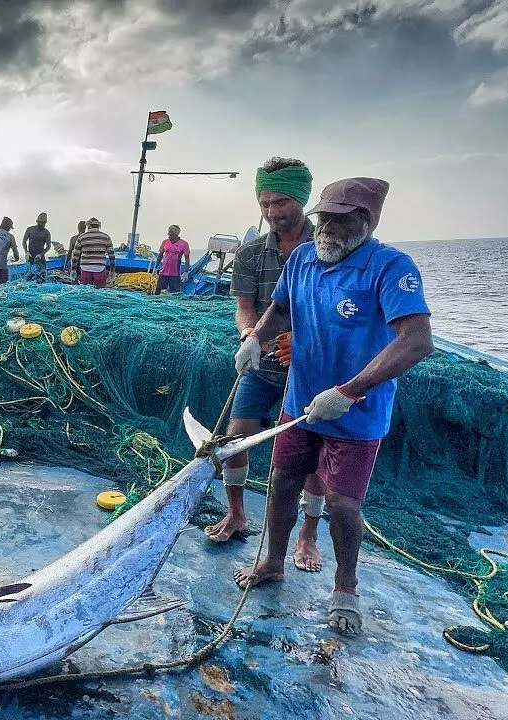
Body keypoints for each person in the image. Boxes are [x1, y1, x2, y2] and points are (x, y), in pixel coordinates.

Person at [231, 177, 434, 636]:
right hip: (300, 399)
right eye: (324, 218)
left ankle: (346, 588)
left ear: (367, 220)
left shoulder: (390, 268)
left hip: (356, 412)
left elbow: (417, 341)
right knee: (283, 480)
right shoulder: (302, 257)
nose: (326, 228)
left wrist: (350, 391)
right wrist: (256, 339)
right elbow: (281, 309)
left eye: (340, 220)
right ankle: (273, 562)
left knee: (343, 504)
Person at [206, 157, 328, 578]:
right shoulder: (251, 254)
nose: (273, 211)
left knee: (309, 456)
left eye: (282, 202)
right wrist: (248, 338)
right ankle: (237, 513)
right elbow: (246, 308)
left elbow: (342, 313)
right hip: (261, 365)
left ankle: (308, 534)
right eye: (265, 202)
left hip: (313, 371)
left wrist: (307, 343)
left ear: (302, 199)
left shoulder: (329, 248)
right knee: (236, 438)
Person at [71, 217, 115, 288]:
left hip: (85, 268)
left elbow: (75, 255)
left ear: (88, 226)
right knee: (100, 291)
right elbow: (111, 256)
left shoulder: (81, 237)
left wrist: (73, 270)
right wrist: (112, 271)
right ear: (98, 226)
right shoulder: (106, 237)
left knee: (87, 291)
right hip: (99, 268)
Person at [153, 224, 190, 294]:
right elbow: (160, 255)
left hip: (175, 274)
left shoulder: (184, 244)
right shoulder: (165, 242)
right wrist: (155, 267)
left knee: (175, 293)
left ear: (176, 235)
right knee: (158, 291)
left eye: (171, 234)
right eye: (168, 233)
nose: (169, 235)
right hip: (163, 273)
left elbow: (187, 258)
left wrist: (186, 272)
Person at [23, 212, 53, 282]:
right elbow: (24, 241)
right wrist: (26, 252)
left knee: (41, 278)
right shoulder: (29, 229)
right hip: (30, 257)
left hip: (40, 258)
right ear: (37, 221)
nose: (42, 224)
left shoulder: (47, 233)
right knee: (28, 277)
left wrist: (41, 254)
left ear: (46, 223)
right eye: (40, 222)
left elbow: (48, 246)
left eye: (43, 223)